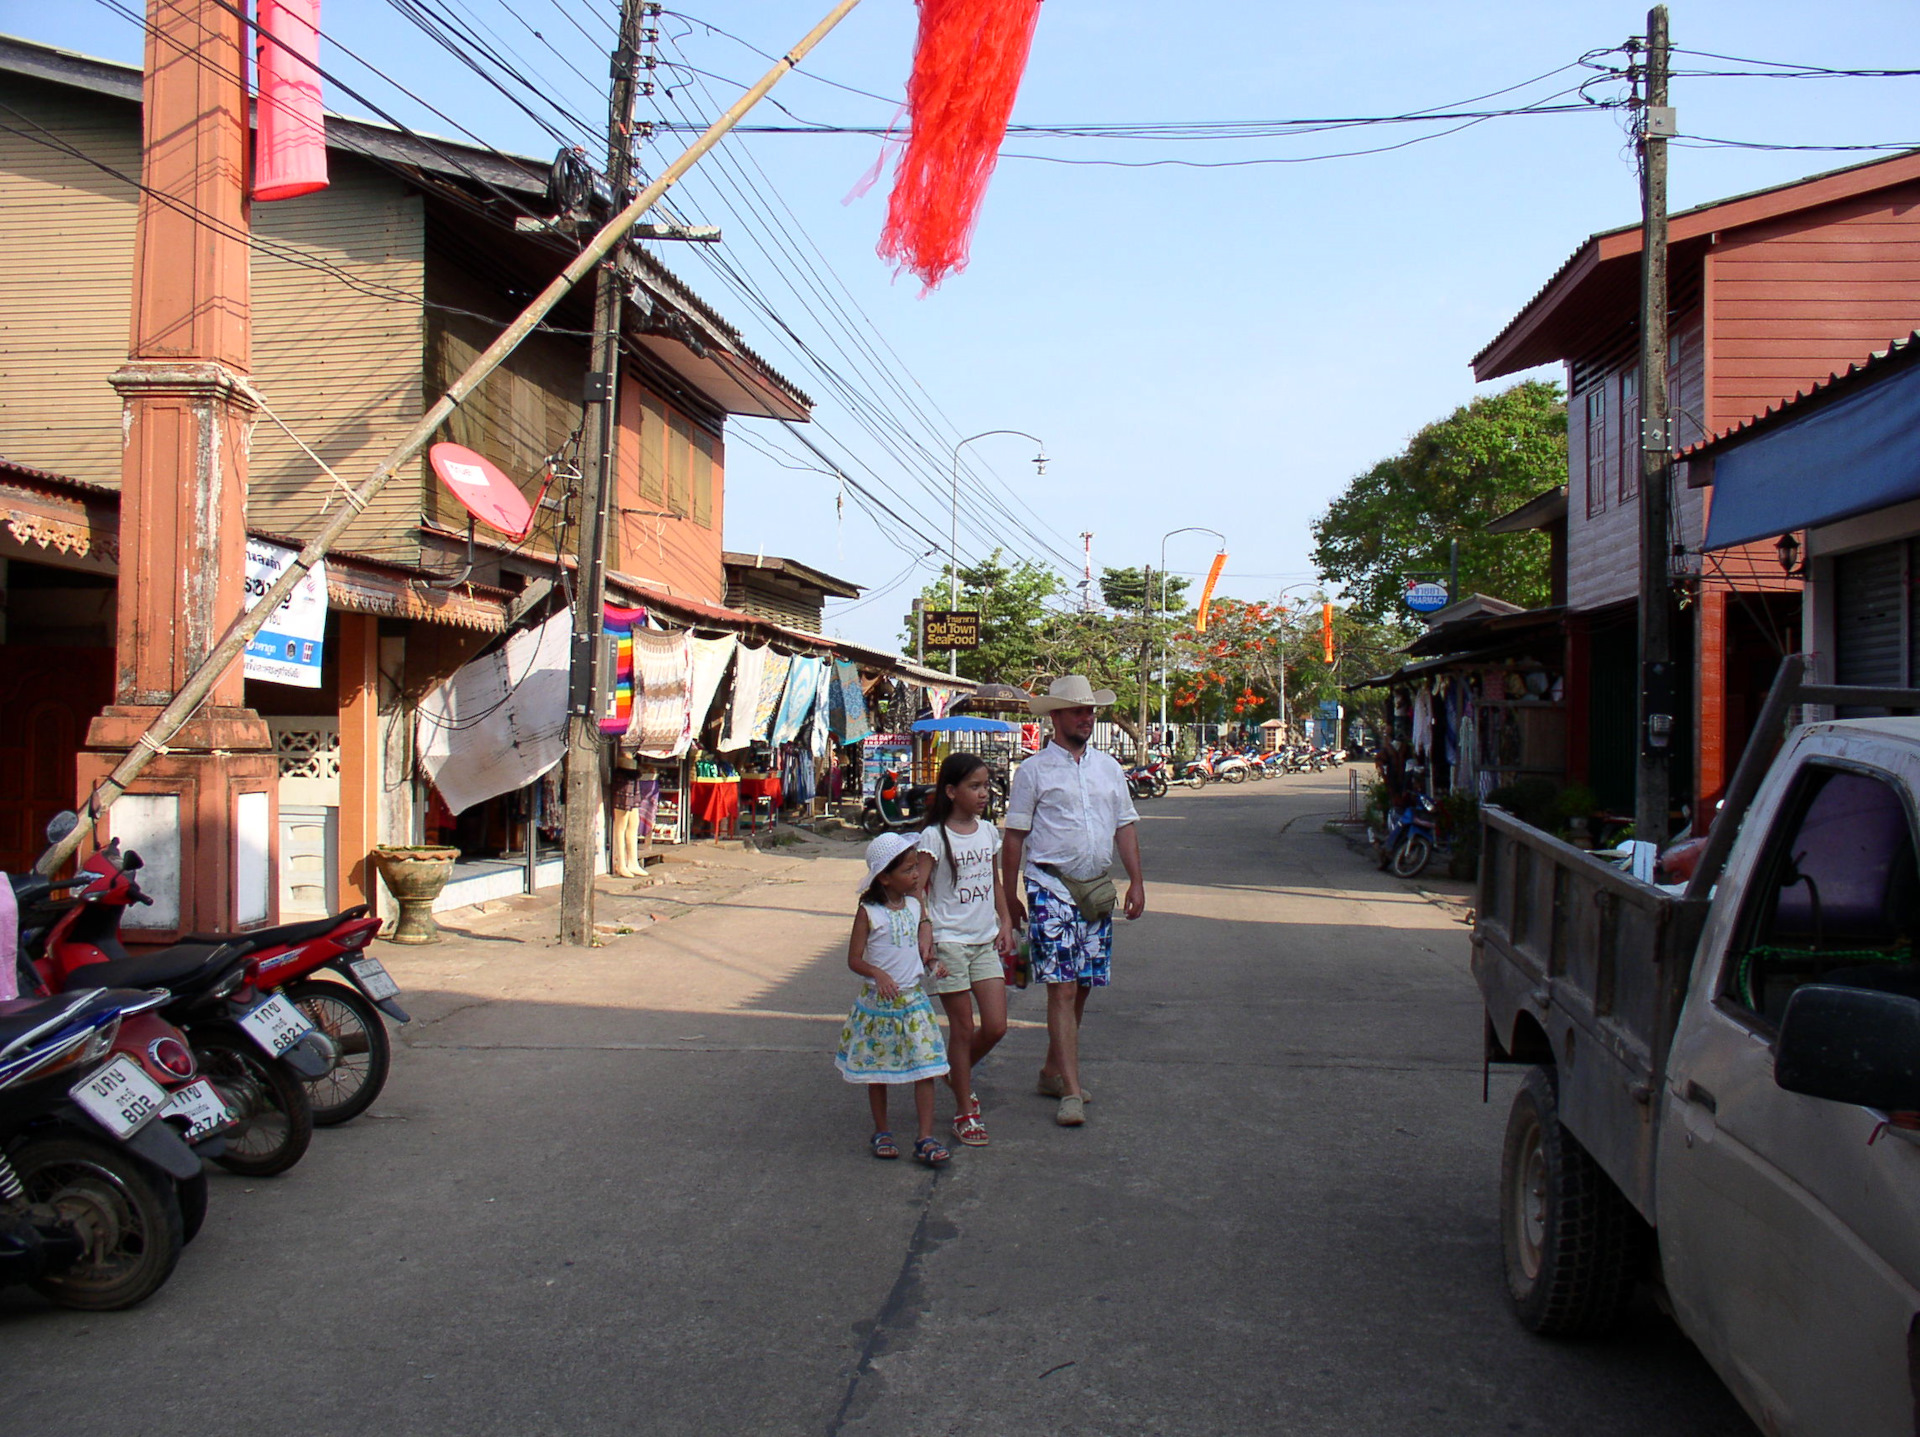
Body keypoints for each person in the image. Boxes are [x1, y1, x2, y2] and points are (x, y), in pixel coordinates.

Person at [1001, 675, 1146, 1127]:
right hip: (1050, 886)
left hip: (1096, 888)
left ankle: (1051, 1070)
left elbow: (1125, 824)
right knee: (1061, 987)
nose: (1087, 718)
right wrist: (1008, 895)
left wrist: (1137, 882)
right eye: (1078, 711)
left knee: (1082, 984)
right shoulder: (1034, 771)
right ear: (1056, 716)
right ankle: (1072, 1090)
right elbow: (1014, 837)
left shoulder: (1108, 769)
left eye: (1090, 711)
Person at [915, 752, 1015, 1147]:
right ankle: (964, 1110)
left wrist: (1005, 921)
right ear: (951, 791)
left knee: (996, 1026)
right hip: (950, 944)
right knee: (962, 1029)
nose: (983, 793)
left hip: (984, 940)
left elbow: (995, 881)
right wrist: (925, 929)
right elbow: (918, 888)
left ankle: (957, 1074)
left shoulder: (989, 832)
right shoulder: (933, 837)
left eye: (986, 785)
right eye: (974, 786)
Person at [835, 832, 951, 1166]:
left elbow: (917, 949)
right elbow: (854, 959)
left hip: (913, 1004)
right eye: (908, 870)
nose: (917, 875)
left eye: (916, 868)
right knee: (878, 1071)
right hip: (879, 1007)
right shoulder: (869, 913)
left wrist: (932, 963)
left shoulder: (915, 907)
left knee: (926, 1068)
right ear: (884, 877)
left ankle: (925, 1136)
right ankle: (882, 1130)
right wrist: (878, 974)